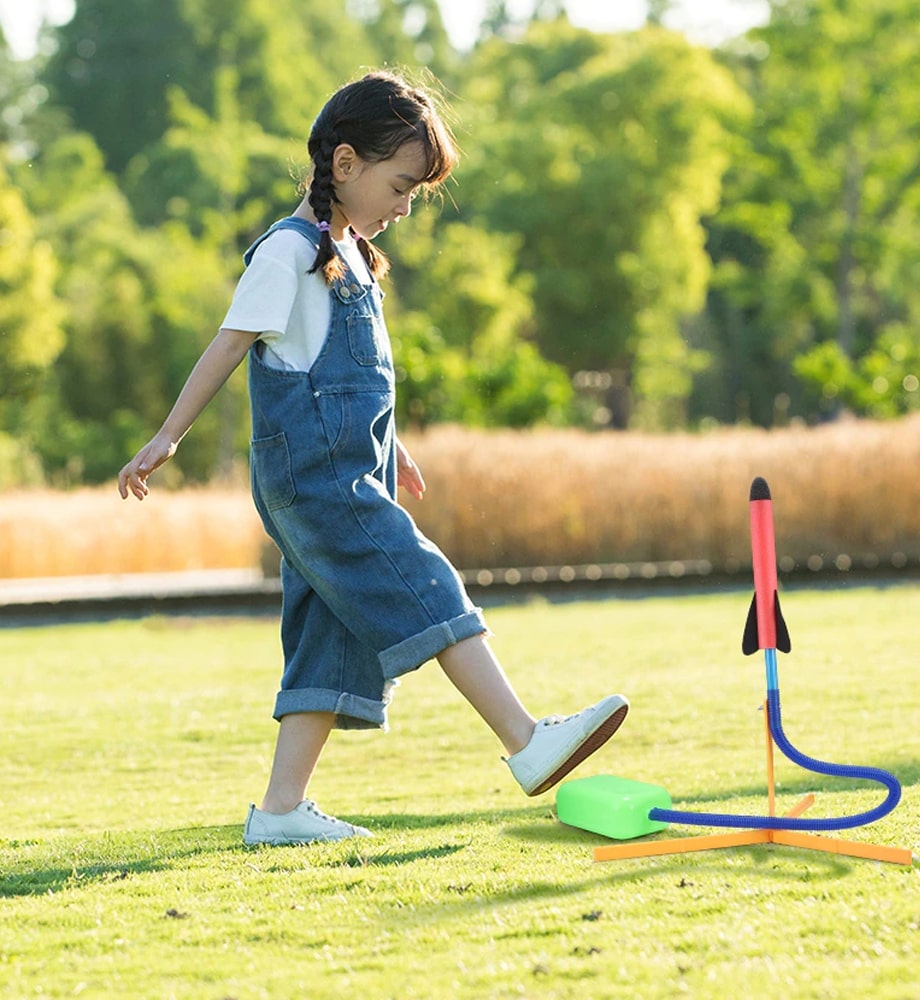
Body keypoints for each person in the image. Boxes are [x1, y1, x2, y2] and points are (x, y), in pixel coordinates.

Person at [118, 70, 628, 846]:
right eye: (400, 186)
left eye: (417, 194)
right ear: (346, 164)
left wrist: (395, 446)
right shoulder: (287, 252)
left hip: (346, 470)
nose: (404, 206)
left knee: (326, 632)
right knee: (424, 580)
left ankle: (281, 811)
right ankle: (527, 741)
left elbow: (339, 375)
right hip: (317, 482)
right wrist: (168, 435)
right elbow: (231, 344)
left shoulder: (350, 255)